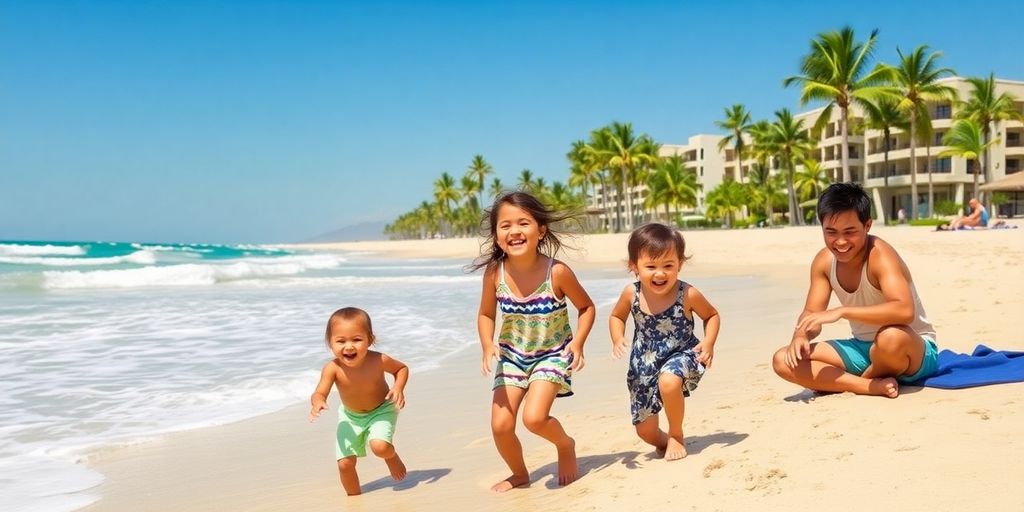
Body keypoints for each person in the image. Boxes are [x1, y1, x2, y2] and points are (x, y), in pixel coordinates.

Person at [471, 191, 596, 492]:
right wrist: (488, 344)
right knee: (500, 426)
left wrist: (577, 343)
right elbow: (486, 313)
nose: (514, 231)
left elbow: (587, 307)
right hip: (512, 357)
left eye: (523, 223)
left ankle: (565, 445)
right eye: (505, 225)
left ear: (541, 231)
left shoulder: (557, 272)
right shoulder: (494, 273)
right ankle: (519, 474)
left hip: (551, 355)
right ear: (497, 235)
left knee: (534, 418)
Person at [771, 183, 939, 398]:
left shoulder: (880, 255)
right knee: (783, 359)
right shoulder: (824, 262)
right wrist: (800, 334)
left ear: (867, 225)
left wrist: (842, 311)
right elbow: (811, 314)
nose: (840, 242)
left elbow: (905, 311)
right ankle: (868, 385)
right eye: (831, 232)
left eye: (850, 232)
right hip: (863, 349)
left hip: (912, 349)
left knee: (890, 338)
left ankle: (859, 381)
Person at [609, 223, 720, 461]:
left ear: (680, 264)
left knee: (669, 381)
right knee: (645, 431)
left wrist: (709, 343)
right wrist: (617, 337)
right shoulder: (632, 293)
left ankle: (676, 434)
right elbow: (617, 316)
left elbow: (711, 315)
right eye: (650, 267)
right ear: (634, 267)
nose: (660, 274)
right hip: (643, 364)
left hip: (682, 354)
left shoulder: (687, 293)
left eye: (668, 266)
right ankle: (664, 439)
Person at [309, 307, 409, 496]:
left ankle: (391, 456)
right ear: (330, 343)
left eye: (356, 339)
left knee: (380, 447)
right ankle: (354, 499)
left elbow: (401, 369)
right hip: (350, 416)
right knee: (345, 463)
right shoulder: (332, 369)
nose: (349, 346)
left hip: (381, 410)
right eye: (340, 341)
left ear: (369, 340)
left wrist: (398, 388)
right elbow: (319, 392)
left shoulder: (379, 360)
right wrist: (318, 401)